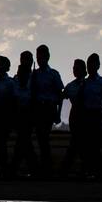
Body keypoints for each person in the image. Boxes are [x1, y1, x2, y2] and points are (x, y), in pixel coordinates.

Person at [79, 53, 102, 179]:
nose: (90, 67)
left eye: (93, 64)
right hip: (86, 114)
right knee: (87, 144)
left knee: (93, 143)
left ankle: (96, 170)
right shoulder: (84, 83)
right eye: (89, 64)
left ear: (98, 65)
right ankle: (91, 170)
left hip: (98, 114)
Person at [31, 44, 64, 177]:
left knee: (44, 138)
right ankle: (46, 166)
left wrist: (58, 113)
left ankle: (47, 167)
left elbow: (60, 95)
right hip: (38, 108)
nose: (40, 59)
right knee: (41, 139)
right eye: (38, 56)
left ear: (48, 57)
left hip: (49, 108)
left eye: (42, 56)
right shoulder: (35, 74)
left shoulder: (54, 74)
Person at [8, 51, 39, 178]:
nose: (26, 61)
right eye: (24, 59)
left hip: (29, 112)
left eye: (28, 59)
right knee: (24, 142)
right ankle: (34, 169)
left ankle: (15, 169)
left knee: (23, 142)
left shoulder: (35, 78)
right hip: (19, 112)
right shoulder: (16, 78)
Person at [59, 58, 89, 180]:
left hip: (86, 115)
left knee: (79, 144)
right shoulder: (70, 86)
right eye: (74, 68)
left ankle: (68, 169)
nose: (75, 70)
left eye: (77, 68)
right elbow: (61, 98)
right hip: (75, 115)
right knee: (77, 143)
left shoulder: (89, 84)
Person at [0, 55, 18, 179]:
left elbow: (14, 100)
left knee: (3, 143)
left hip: (6, 113)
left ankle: (5, 168)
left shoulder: (11, 82)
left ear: (7, 67)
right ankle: (2, 168)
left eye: (0, 64)